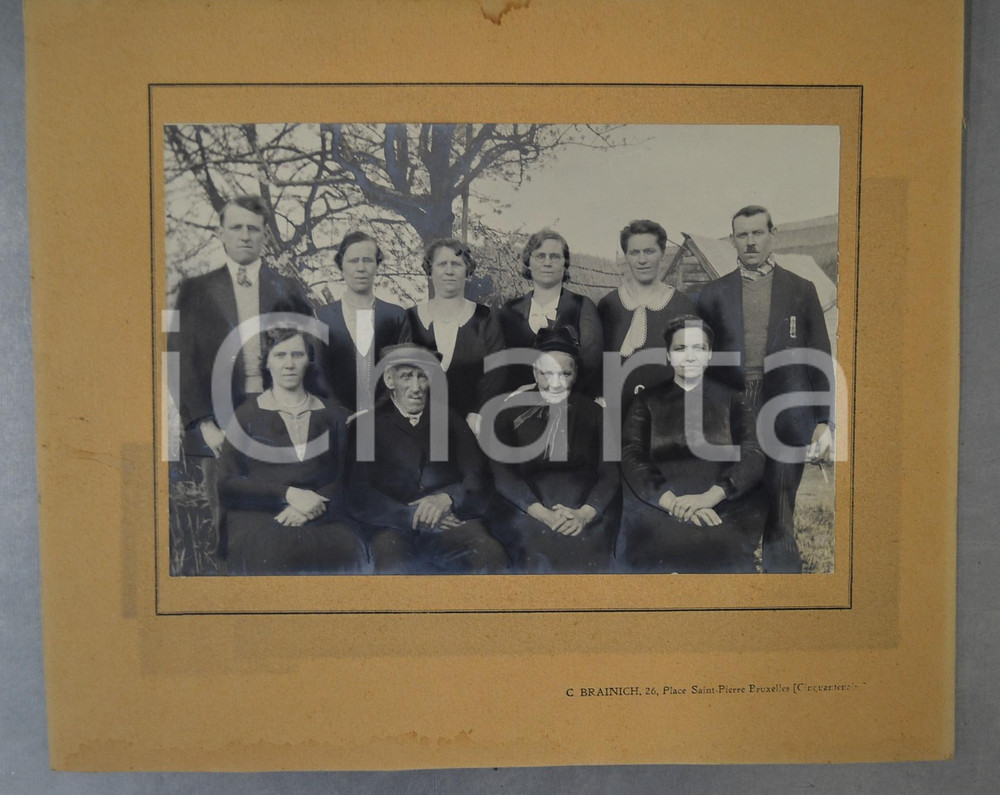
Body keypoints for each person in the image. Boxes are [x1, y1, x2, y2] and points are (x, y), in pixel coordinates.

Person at [171, 195, 314, 558]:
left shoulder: (290, 289)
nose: (245, 235)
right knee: (227, 525)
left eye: (253, 228)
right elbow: (181, 362)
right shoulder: (195, 290)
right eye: (236, 228)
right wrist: (204, 424)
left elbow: (310, 356)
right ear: (221, 233)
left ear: (265, 234)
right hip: (218, 422)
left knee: (283, 516)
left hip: (278, 418)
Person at [697, 205, 833, 573]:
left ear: (773, 235)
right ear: (733, 241)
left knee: (780, 508)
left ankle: (784, 598)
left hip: (787, 413)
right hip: (732, 410)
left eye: (758, 233)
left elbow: (820, 355)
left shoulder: (800, 289)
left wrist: (823, 420)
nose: (751, 242)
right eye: (742, 235)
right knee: (730, 500)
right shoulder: (712, 294)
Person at [619, 316, 767, 573]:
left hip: (720, 505)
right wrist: (670, 502)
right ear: (668, 355)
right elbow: (631, 455)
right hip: (659, 505)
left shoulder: (733, 400)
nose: (689, 356)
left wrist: (710, 497)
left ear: (709, 354)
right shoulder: (647, 400)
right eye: (680, 349)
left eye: (699, 348)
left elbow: (752, 454)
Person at [346, 344, 508, 574]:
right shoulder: (367, 426)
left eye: (422, 377)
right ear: (390, 380)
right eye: (407, 377)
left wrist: (449, 498)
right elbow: (359, 494)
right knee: (392, 568)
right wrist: (413, 516)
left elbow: (478, 476)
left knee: (491, 555)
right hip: (392, 526)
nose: (416, 388)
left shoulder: (450, 418)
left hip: (451, 520)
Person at [217, 326, 366, 575]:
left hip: (323, 513)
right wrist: (288, 494)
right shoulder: (247, 415)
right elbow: (227, 484)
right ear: (267, 363)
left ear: (308, 360)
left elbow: (346, 477)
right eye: (280, 355)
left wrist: (311, 507)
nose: (289, 364)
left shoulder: (332, 414)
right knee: (279, 551)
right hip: (263, 518)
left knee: (349, 548)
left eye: (297, 355)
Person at [487, 327, 620, 573]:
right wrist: (543, 515)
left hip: (584, 507)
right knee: (531, 552)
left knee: (589, 553)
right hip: (527, 507)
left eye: (564, 374)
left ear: (575, 374)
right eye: (547, 374)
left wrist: (585, 514)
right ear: (535, 372)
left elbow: (610, 472)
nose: (556, 383)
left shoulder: (595, 414)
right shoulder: (507, 412)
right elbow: (502, 475)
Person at [406, 238, 506, 436]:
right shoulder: (410, 318)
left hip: (472, 427)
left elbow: (498, 372)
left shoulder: (486, 318)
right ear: (430, 269)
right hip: (417, 425)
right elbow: (399, 371)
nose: (449, 271)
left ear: (467, 271)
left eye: (456, 264)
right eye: (442, 264)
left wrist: (479, 414)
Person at [598, 219, 697, 408]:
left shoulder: (683, 306)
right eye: (634, 252)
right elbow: (598, 366)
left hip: (667, 415)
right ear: (626, 256)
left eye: (649, 251)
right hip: (616, 414)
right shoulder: (608, 305)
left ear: (662, 254)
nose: (642, 260)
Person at [496, 229, 603, 397]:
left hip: (570, 404)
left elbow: (591, 366)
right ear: (528, 262)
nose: (547, 262)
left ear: (565, 263)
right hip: (517, 406)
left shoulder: (582, 307)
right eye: (540, 256)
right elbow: (501, 366)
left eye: (554, 257)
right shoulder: (509, 311)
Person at [315, 231, 411, 412]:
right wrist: (341, 415)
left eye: (367, 260)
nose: (361, 268)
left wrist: (375, 414)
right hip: (336, 421)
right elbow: (318, 376)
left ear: (377, 265)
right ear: (341, 265)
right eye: (353, 261)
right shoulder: (322, 317)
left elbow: (403, 373)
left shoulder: (396, 316)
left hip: (386, 420)